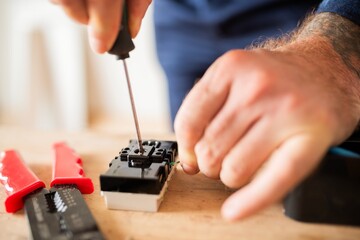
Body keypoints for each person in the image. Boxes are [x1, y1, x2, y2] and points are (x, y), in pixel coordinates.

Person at [51, 0, 360, 221]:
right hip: (181, 19)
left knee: (307, 180)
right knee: (195, 151)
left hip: (298, 16)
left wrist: (338, 54)